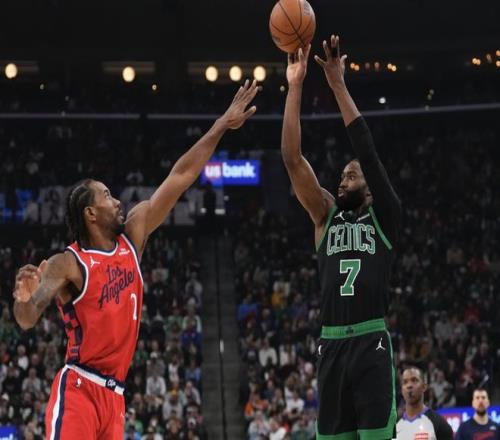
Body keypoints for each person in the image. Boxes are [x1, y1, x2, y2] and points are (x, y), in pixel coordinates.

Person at [12, 80, 259, 440]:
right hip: (80, 388)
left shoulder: (133, 236)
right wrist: (22, 299)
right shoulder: (69, 263)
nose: (117, 201)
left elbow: (181, 176)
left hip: (115, 398)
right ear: (90, 214)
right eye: (107, 196)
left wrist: (221, 124)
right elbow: (27, 319)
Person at [281, 35, 401, 439]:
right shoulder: (325, 215)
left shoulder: (385, 217)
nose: (342, 179)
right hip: (331, 345)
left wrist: (337, 85)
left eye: (351, 175)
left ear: (370, 188)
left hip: (371, 341)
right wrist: (295, 86)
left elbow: (367, 151)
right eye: (342, 175)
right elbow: (292, 159)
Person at [396, 367, 453, 439]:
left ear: (424, 387)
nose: (409, 385)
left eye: (414, 380)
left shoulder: (439, 424)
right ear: (402, 390)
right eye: (405, 382)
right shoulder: (395, 426)